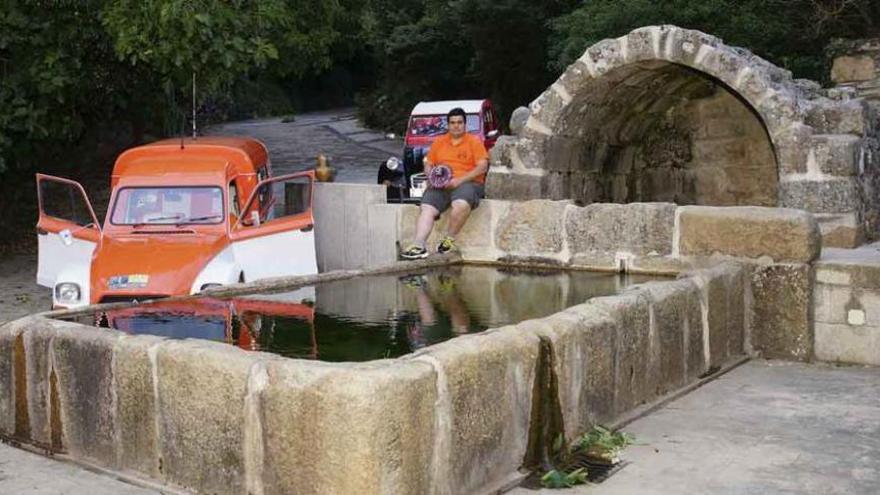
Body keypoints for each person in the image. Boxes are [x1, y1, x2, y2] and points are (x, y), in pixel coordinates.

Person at [400, 107, 488, 259]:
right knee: (426, 208)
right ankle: (419, 245)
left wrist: (459, 180)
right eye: (452, 122)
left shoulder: (474, 142)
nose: (456, 125)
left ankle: (448, 239)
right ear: (448, 124)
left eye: (459, 122)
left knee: (460, 204)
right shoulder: (439, 142)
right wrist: (431, 176)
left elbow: (482, 166)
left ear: (464, 125)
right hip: (440, 184)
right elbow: (428, 163)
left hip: (467, 183)